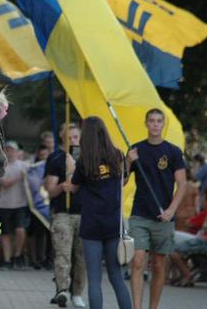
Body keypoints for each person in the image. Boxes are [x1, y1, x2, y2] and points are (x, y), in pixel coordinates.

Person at [67, 117, 132, 309]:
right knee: (116, 277)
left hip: (91, 224)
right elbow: (123, 181)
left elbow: (74, 187)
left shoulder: (84, 162)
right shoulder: (118, 156)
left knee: (94, 280)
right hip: (113, 223)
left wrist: (69, 173)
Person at [126, 108, 186, 309]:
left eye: (158, 121)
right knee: (137, 261)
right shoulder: (136, 150)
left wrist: (171, 210)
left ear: (163, 124)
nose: (155, 124)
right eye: (151, 120)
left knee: (159, 264)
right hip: (140, 214)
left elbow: (182, 184)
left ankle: (153, 307)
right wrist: (128, 162)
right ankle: (136, 307)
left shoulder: (173, 152)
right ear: (146, 123)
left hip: (164, 217)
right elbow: (122, 181)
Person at [44, 123, 86, 308]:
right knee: (63, 254)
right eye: (70, 137)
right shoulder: (55, 158)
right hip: (62, 214)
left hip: (85, 213)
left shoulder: (86, 157)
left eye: (76, 137)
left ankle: (77, 292)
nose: (73, 140)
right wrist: (62, 186)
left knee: (81, 256)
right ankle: (62, 290)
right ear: (62, 137)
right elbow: (49, 189)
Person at [168, 182, 207, 286]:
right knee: (177, 246)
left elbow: (206, 228)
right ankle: (183, 275)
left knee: (172, 250)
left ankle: (187, 275)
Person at [0, 140, 29, 269]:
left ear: (16, 152)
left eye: (12, 150)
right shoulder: (0, 166)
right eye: (7, 150)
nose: (10, 152)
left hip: (21, 204)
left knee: (20, 230)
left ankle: (17, 254)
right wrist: (19, 178)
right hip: (4, 205)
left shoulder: (24, 166)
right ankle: (7, 259)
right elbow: (4, 183)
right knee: (5, 234)